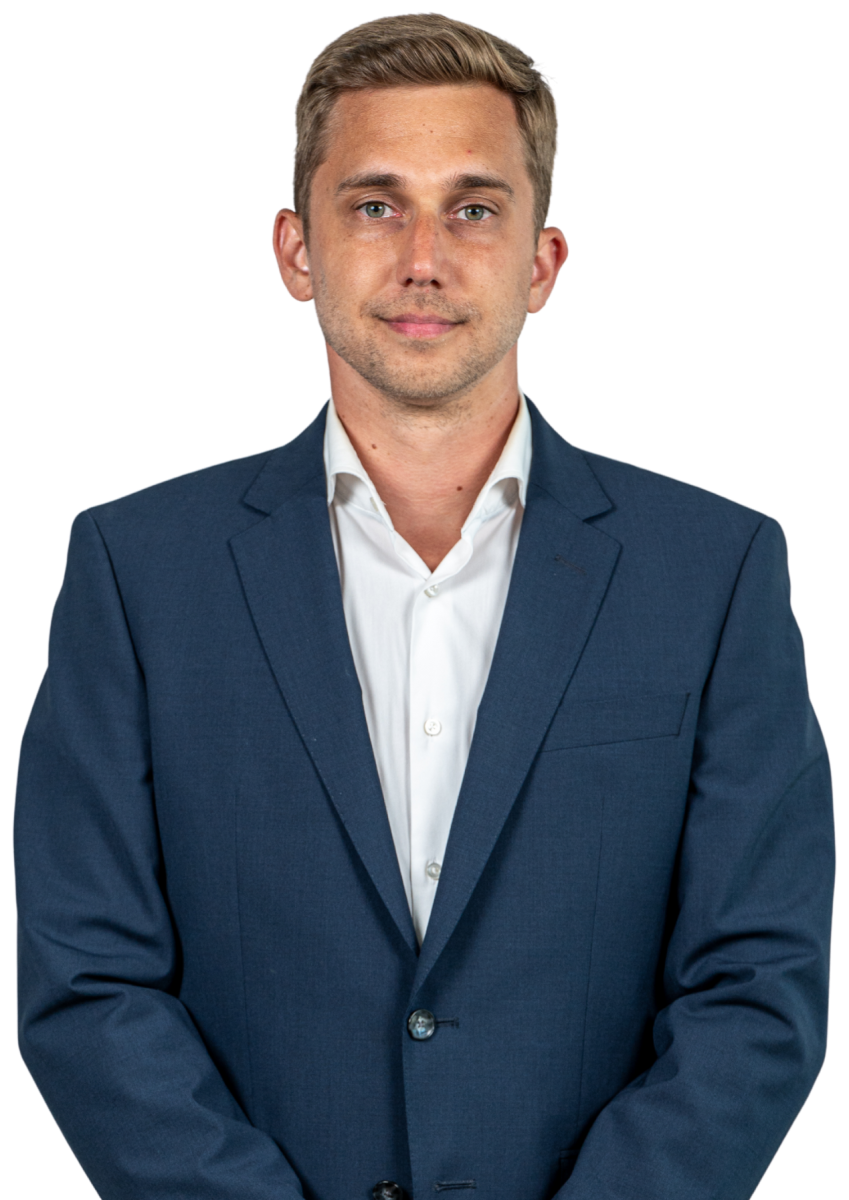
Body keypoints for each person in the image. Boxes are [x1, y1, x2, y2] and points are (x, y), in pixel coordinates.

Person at [13, 13, 833, 1200]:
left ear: (543, 263)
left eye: (475, 209)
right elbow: (86, 980)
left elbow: (759, 984)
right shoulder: (136, 570)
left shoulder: (715, 571)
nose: (424, 258)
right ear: (297, 250)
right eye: (375, 204)